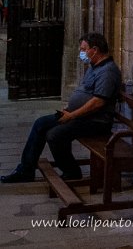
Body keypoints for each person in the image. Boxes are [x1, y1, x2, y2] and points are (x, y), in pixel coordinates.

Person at [0, 33, 122, 183]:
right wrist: (70, 108)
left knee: (55, 135)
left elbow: (98, 102)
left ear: (95, 49)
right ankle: (26, 170)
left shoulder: (108, 71)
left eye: (83, 49)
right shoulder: (94, 66)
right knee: (40, 123)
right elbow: (85, 92)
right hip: (80, 116)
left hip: (96, 121)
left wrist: (72, 115)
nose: (81, 53)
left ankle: (72, 171)